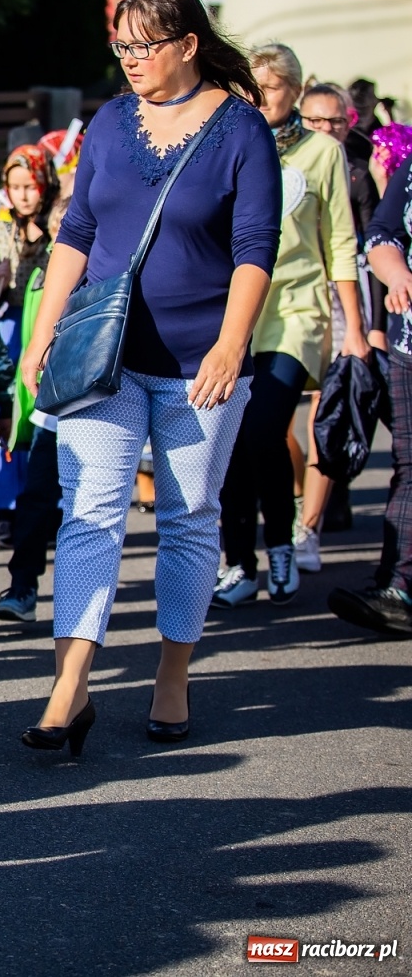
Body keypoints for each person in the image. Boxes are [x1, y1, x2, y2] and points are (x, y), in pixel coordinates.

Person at [18, 0, 280, 754]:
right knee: (89, 511)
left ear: (188, 44)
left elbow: (254, 246)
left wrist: (234, 343)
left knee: (188, 520)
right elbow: (78, 228)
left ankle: (173, 672)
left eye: (145, 46)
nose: (130, 61)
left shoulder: (241, 130)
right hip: (107, 358)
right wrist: (42, 334)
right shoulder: (109, 121)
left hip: (201, 364)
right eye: (122, 48)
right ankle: (70, 684)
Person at [207, 43, 363, 609]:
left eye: (269, 87)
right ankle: (240, 563)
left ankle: (279, 546)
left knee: (262, 426)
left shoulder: (322, 152)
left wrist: (355, 327)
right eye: (250, 85)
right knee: (227, 437)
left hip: (296, 313)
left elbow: (340, 240)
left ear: (295, 91)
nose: (257, 96)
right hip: (233, 316)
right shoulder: (230, 139)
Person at [292, 82, 382, 569]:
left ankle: (309, 527)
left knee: (325, 415)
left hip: (343, 290)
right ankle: (297, 497)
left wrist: (363, 323)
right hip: (290, 293)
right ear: (300, 118)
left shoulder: (362, 166)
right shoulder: (285, 158)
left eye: (336, 121)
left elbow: (364, 238)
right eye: (317, 120)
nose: (327, 129)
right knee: (275, 419)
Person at [330, 156, 412, 636]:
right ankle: (398, 588)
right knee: (409, 464)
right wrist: (397, 275)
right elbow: (381, 235)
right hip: (408, 345)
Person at [0, 145, 60, 547]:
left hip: (44, 327)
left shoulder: (62, 227)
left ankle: (46, 504)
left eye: (31, 186)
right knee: (4, 418)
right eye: (15, 186)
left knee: (43, 416)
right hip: (6, 331)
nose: (24, 195)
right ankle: (5, 506)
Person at [0, 195, 73, 623]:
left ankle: (83, 600)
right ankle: (22, 586)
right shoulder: (41, 278)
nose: (64, 245)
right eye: (58, 236)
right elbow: (28, 346)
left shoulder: (107, 277)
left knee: (87, 510)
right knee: (35, 499)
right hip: (49, 411)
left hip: (95, 410)